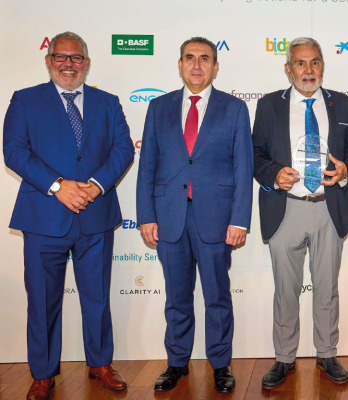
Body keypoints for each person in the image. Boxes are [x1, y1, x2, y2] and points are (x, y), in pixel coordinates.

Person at [3, 31, 134, 400]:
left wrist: (96, 185)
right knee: (42, 301)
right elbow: (14, 150)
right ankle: (43, 374)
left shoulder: (108, 103)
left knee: (97, 297)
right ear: (48, 61)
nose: (68, 64)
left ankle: (100, 363)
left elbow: (123, 150)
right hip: (43, 219)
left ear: (87, 63)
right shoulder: (25, 100)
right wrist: (58, 186)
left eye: (76, 57)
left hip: (96, 215)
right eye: (60, 56)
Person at [136, 37, 253, 394]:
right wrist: (146, 215)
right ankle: (177, 363)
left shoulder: (234, 109)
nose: (197, 65)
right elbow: (147, 166)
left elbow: (243, 167)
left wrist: (239, 219)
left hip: (216, 218)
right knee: (177, 297)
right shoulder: (158, 107)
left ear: (216, 66)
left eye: (205, 58)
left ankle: (220, 364)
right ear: (180, 64)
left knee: (217, 296)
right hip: (169, 217)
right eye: (190, 58)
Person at [252, 37, 348, 388]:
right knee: (286, 290)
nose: (308, 69)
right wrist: (274, 174)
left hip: (328, 208)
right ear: (288, 69)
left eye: (315, 62)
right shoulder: (269, 105)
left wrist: (345, 170)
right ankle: (284, 358)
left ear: (322, 66)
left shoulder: (341, 104)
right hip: (286, 208)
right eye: (300, 63)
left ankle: (326, 353)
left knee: (327, 288)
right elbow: (255, 154)